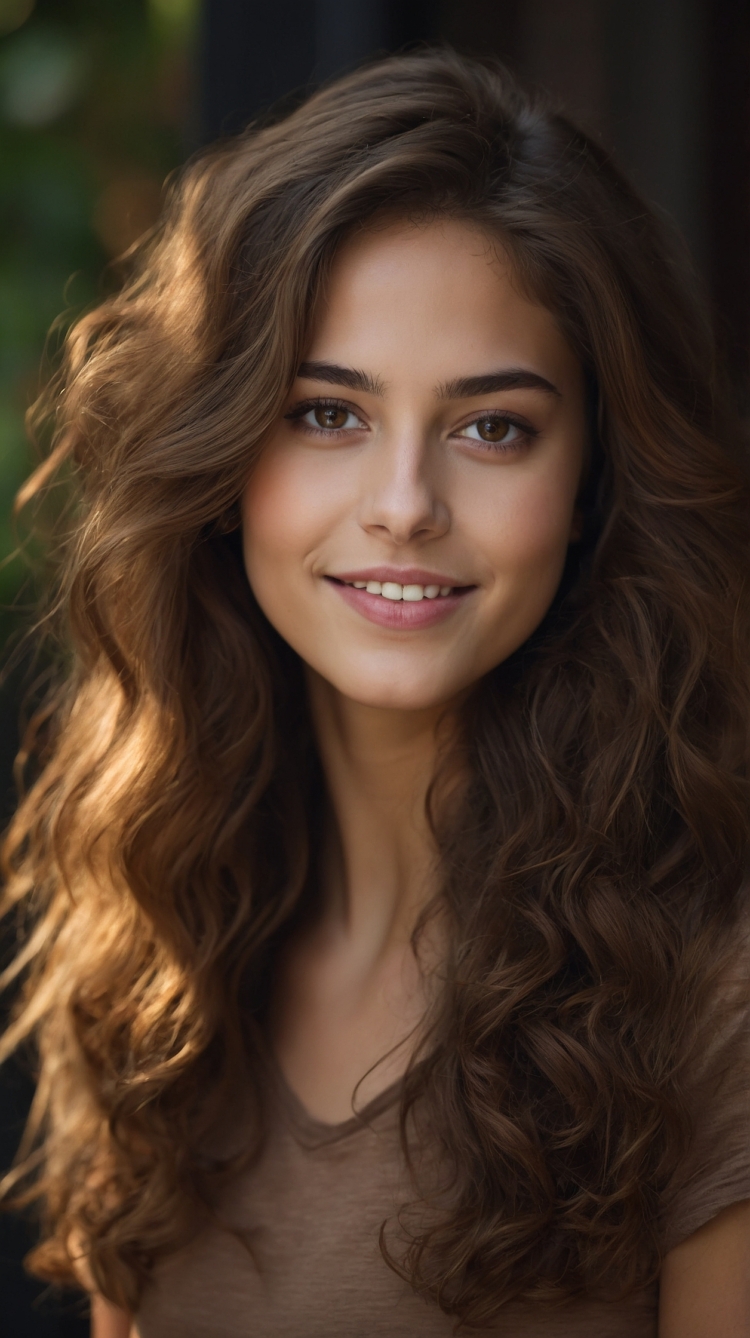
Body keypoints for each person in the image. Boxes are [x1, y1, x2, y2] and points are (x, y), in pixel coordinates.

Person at [1, 49, 749, 1338]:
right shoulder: (154, 943)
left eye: (492, 427)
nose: (404, 505)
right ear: (225, 462)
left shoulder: (710, 995)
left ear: (591, 490)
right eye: (326, 415)